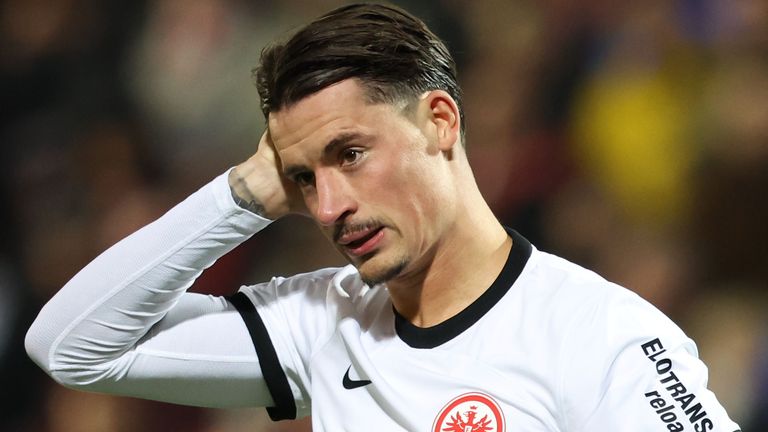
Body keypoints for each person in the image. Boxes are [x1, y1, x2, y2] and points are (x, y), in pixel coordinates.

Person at [26, 3, 740, 431]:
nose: (329, 207)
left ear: (439, 122)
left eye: (351, 154)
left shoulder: (604, 336)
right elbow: (73, 347)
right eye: (303, 177)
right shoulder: (323, 320)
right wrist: (242, 194)